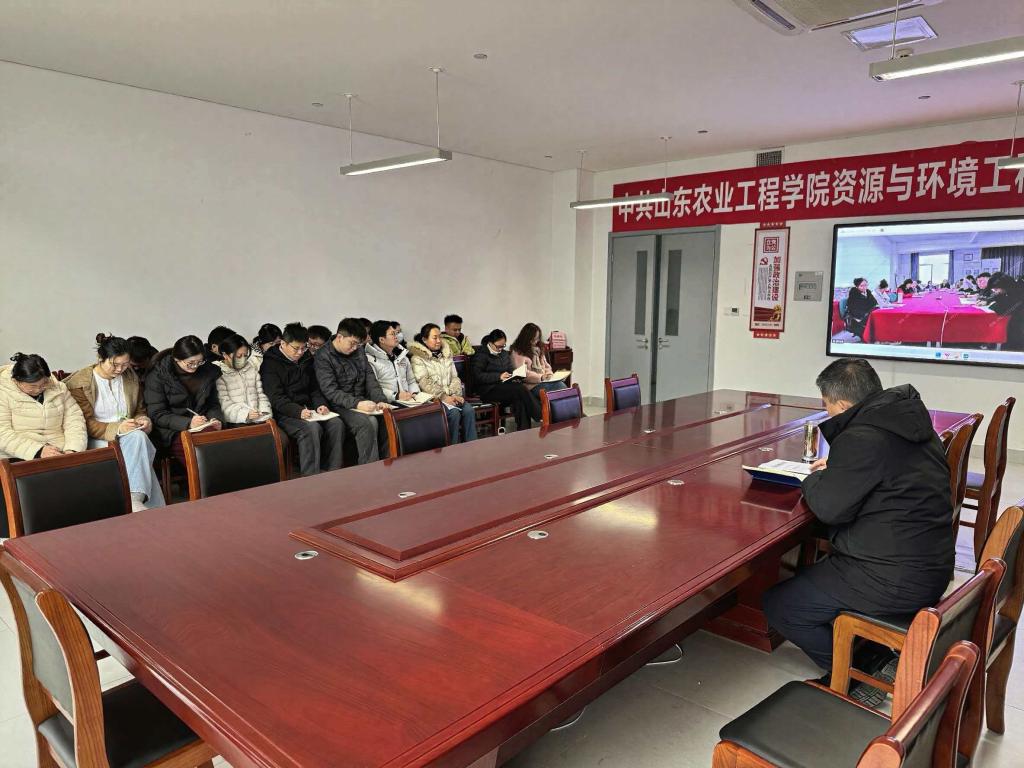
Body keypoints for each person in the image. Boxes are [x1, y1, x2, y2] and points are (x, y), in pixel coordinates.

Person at [762, 358, 954, 676]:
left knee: (780, 605)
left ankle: (859, 672)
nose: (827, 413)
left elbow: (828, 508)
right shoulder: (911, 424)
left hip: (891, 577)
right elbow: (884, 474)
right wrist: (840, 468)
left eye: (827, 405)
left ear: (841, 404)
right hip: (932, 563)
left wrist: (811, 478)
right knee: (813, 578)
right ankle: (873, 653)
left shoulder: (862, 437)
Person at [65, 335, 164, 511]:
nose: (120, 369)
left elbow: (139, 409)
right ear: (100, 358)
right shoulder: (80, 383)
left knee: (138, 438)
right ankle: (137, 500)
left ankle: (136, 501)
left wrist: (143, 419)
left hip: (129, 433)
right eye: (115, 364)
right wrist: (118, 428)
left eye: (125, 364)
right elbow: (84, 423)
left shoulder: (130, 377)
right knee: (138, 440)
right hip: (97, 437)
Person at [260, 323, 344, 476]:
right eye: (296, 348)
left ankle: (333, 471)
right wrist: (298, 411)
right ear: (283, 343)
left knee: (336, 423)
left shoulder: (307, 358)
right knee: (311, 429)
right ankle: (310, 477)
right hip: (285, 412)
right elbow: (276, 398)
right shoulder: (270, 363)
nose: (300, 352)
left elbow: (314, 388)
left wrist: (320, 405)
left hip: (309, 409)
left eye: (303, 348)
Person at [315, 318, 389, 464]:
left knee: (388, 416)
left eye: (359, 344)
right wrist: (357, 404)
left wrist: (380, 400)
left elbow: (370, 378)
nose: (355, 348)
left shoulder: (359, 351)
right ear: (340, 337)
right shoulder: (323, 356)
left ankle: (388, 463)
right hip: (338, 405)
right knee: (367, 423)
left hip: (360, 400)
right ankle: (369, 470)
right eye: (353, 343)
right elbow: (331, 391)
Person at [146, 335, 223, 464]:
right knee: (201, 455)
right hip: (172, 432)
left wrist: (215, 419)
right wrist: (188, 423)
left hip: (202, 426)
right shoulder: (158, 376)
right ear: (176, 358)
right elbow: (157, 414)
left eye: (199, 362)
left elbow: (212, 403)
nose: (195, 366)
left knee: (223, 445)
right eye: (190, 363)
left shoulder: (207, 372)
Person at [0, 353, 87, 461]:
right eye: (32, 386)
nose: (39, 389)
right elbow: (2, 433)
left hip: (60, 452)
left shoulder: (59, 388)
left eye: (44, 383)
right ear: (16, 381)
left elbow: (75, 420)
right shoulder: (3, 392)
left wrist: (72, 449)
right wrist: (38, 451)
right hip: (18, 456)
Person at [408, 323, 478, 444]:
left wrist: (455, 394)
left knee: (468, 410)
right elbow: (424, 382)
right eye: (434, 338)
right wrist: (444, 397)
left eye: (440, 337)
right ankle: (451, 448)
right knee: (454, 414)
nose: (438, 341)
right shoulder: (417, 358)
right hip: (433, 399)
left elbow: (454, 377)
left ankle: (472, 446)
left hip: (452, 396)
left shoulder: (446, 354)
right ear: (424, 339)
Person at [470, 329, 539, 430]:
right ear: (490, 343)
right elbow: (477, 376)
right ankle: (539, 414)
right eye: (498, 346)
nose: (500, 349)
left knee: (519, 397)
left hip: (505, 387)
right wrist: (498, 376)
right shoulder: (481, 354)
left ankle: (524, 430)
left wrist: (514, 376)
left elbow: (510, 369)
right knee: (519, 389)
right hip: (488, 390)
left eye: (503, 346)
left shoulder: (504, 354)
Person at [214, 334, 272, 426]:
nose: (243, 359)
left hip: (258, 418)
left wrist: (265, 412)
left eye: (245, 355)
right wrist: (245, 415)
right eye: (238, 356)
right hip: (235, 422)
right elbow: (224, 404)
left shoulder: (250, 368)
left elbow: (260, 394)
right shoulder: (218, 373)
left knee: (274, 431)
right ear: (225, 355)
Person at [365, 321, 421, 404]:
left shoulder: (402, 356)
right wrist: (395, 396)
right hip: (387, 404)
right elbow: (374, 388)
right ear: (382, 339)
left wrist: (415, 393)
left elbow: (411, 381)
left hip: (409, 401)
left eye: (396, 333)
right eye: (392, 334)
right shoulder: (370, 360)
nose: (396, 337)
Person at [510, 322, 567, 401]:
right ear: (526, 338)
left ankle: (561, 408)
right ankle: (560, 409)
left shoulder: (538, 349)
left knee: (562, 386)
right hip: (531, 386)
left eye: (537, 338)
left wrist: (549, 375)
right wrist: (540, 377)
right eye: (534, 339)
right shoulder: (517, 352)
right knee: (560, 387)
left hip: (544, 381)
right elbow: (522, 374)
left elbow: (546, 366)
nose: (536, 341)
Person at [988, 275, 1024, 350]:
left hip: (1017, 327)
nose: (995, 291)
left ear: (1004, 286)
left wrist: (992, 305)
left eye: (996, 289)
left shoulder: (1018, 292)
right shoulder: (1012, 289)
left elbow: (1003, 308)